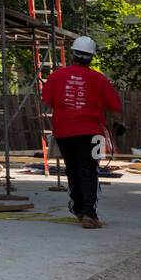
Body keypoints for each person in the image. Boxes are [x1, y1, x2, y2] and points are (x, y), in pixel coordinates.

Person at [43, 35, 125, 228]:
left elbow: (45, 103)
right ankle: (89, 214)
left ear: (73, 55)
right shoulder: (99, 79)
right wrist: (120, 124)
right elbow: (115, 107)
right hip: (92, 133)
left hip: (64, 132)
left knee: (72, 170)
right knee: (89, 171)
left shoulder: (57, 76)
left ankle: (79, 210)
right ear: (91, 58)